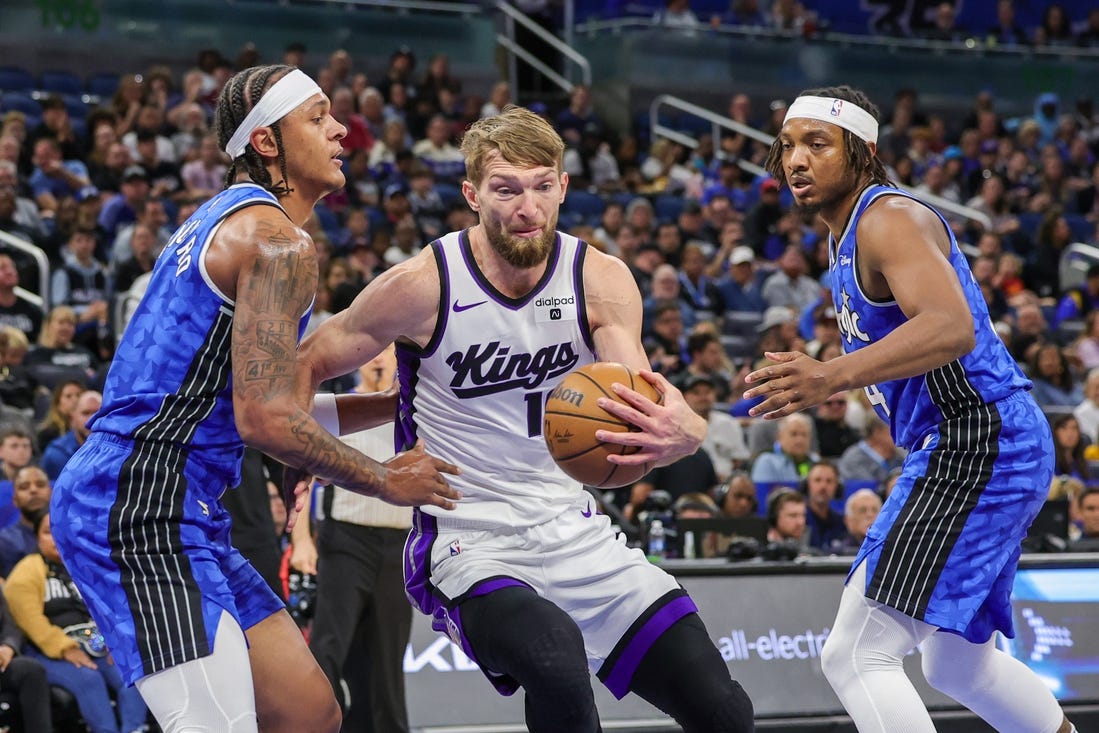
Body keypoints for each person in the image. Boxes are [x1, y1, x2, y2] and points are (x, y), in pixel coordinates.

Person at [294, 105, 755, 733]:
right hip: (470, 540)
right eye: (506, 188)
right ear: (472, 194)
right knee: (554, 658)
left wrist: (686, 432)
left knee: (723, 709)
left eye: (542, 186)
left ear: (564, 186)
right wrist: (349, 471)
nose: (527, 207)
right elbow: (297, 374)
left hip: (573, 527)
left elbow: (649, 412)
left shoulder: (601, 279)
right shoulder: (421, 284)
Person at [48, 64, 460, 733]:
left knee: (307, 712)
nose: (340, 131)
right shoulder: (277, 241)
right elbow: (266, 418)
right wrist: (386, 477)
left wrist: (399, 407)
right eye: (318, 116)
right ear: (267, 141)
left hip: (182, 506)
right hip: (139, 502)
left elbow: (272, 401)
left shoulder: (220, 222)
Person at [746, 84, 1075, 733]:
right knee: (958, 664)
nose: (795, 160)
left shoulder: (885, 217)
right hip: (985, 438)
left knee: (854, 653)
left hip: (977, 437)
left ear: (862, 151)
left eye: (816, 142)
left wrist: (830, 376)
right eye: (787, 145)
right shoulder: (842, 241)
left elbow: (950, 326)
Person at [291, 345, 416, 732]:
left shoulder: (418, 412)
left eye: (387, 353)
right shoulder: (339, 409)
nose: (378, 360)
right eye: (371, 353)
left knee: (388, 660)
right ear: (357, 358)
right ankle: (309, 725)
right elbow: (300, 478)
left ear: (401, 359)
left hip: (398, 544)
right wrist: (302, 542)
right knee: (328, 647)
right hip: (346, 539)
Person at [5, 511, 149, 733]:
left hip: (100, 646)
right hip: (50, 652)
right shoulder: (25, 573)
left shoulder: (85, 566)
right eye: (47, 532)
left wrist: (115, 641)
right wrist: (65, 648)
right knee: (89, 680)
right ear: (36, 538)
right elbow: (30, 621)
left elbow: (110, 608)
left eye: (59, 531)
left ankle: (134, 729)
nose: (54, 537)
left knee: (131, 674)